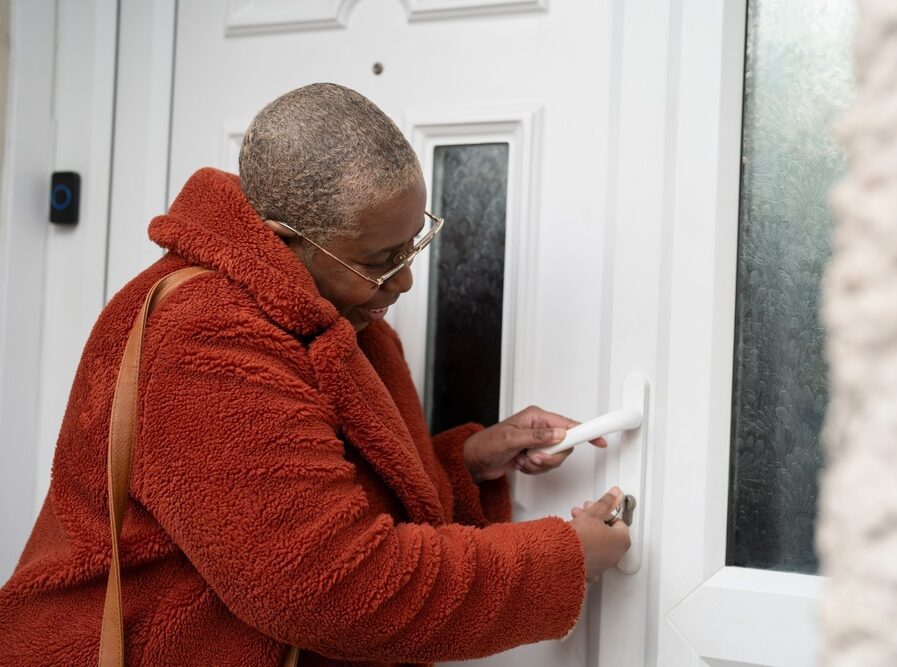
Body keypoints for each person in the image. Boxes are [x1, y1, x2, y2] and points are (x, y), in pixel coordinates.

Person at [0, 83, 630, 665]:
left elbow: (316, 492)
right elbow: (329, 584)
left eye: (415, 244)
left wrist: (469, 462)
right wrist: (561, 560)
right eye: (383, 258)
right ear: (282, 240)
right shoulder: (200, 337)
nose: (405, 279)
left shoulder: (325, 309)